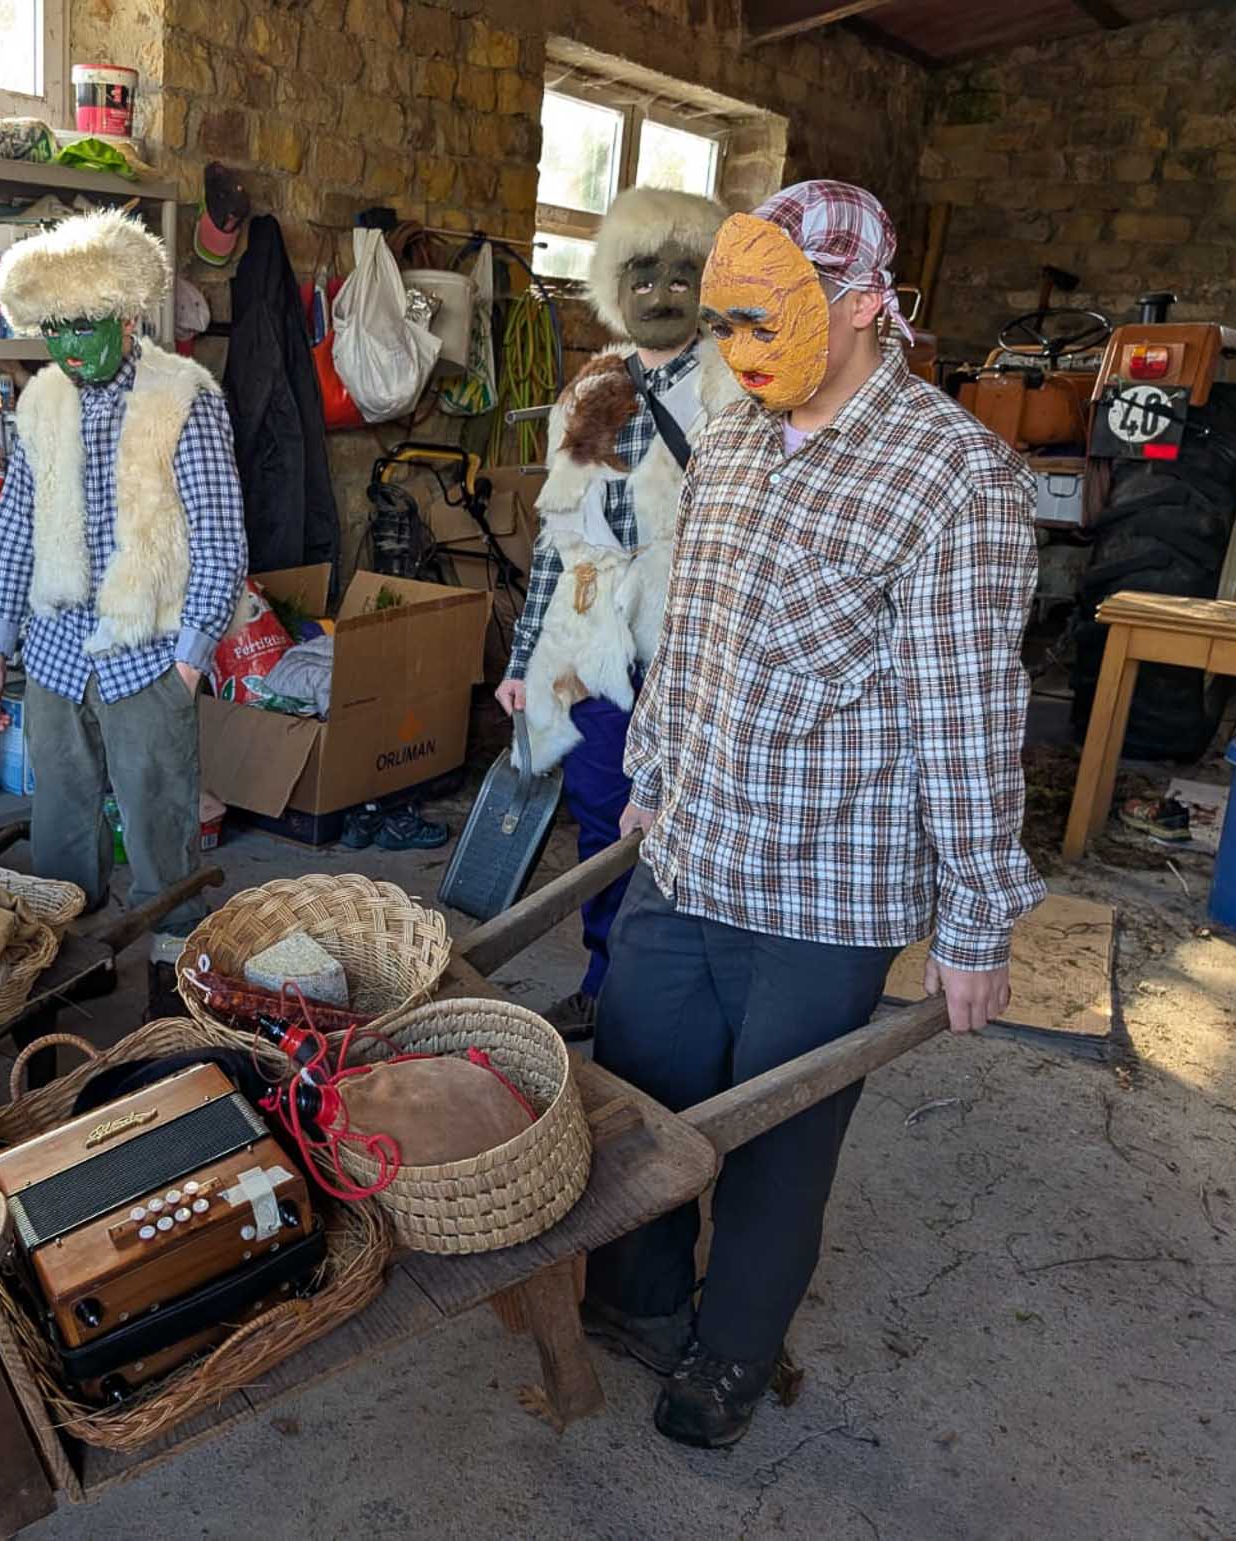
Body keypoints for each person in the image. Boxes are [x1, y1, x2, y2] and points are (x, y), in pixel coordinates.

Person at [588, 180, 1045, 1448]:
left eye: (759, 319)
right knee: (640, 1088)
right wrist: (652, 770)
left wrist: (975, 922)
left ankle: (729, 1356)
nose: (733, 346)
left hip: (824, 887)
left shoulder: (951, 476)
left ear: (855, 308)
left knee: (774, 1146)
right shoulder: (739, 427)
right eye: (725, 319)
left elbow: (965, 716)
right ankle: (635, 1297)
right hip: (688, 849)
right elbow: (691, 635)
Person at [0, 209, 246, 960]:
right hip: (56, 657)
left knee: (161, 832)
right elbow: (16, 531)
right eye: (53, 328)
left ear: (126, 317)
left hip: (149, 657)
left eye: (83, 325)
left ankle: (176, 985)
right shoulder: (41, 403)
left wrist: (187, 664)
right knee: (59, 828)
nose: (66, 346)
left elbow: (222, 542)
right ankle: (68, 973)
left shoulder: (183, 398)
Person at [494, 188, 735, 1038]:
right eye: (643, 270)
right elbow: (559, 542)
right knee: (601, 820)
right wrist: (524, 663)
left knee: (685, 828)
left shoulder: (740, 392)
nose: (663, 290)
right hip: (596, 647)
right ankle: (606, 980)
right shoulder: (593, 390)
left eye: (684, 272)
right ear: (611, 281)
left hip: (694, 651)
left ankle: (667, 1000)